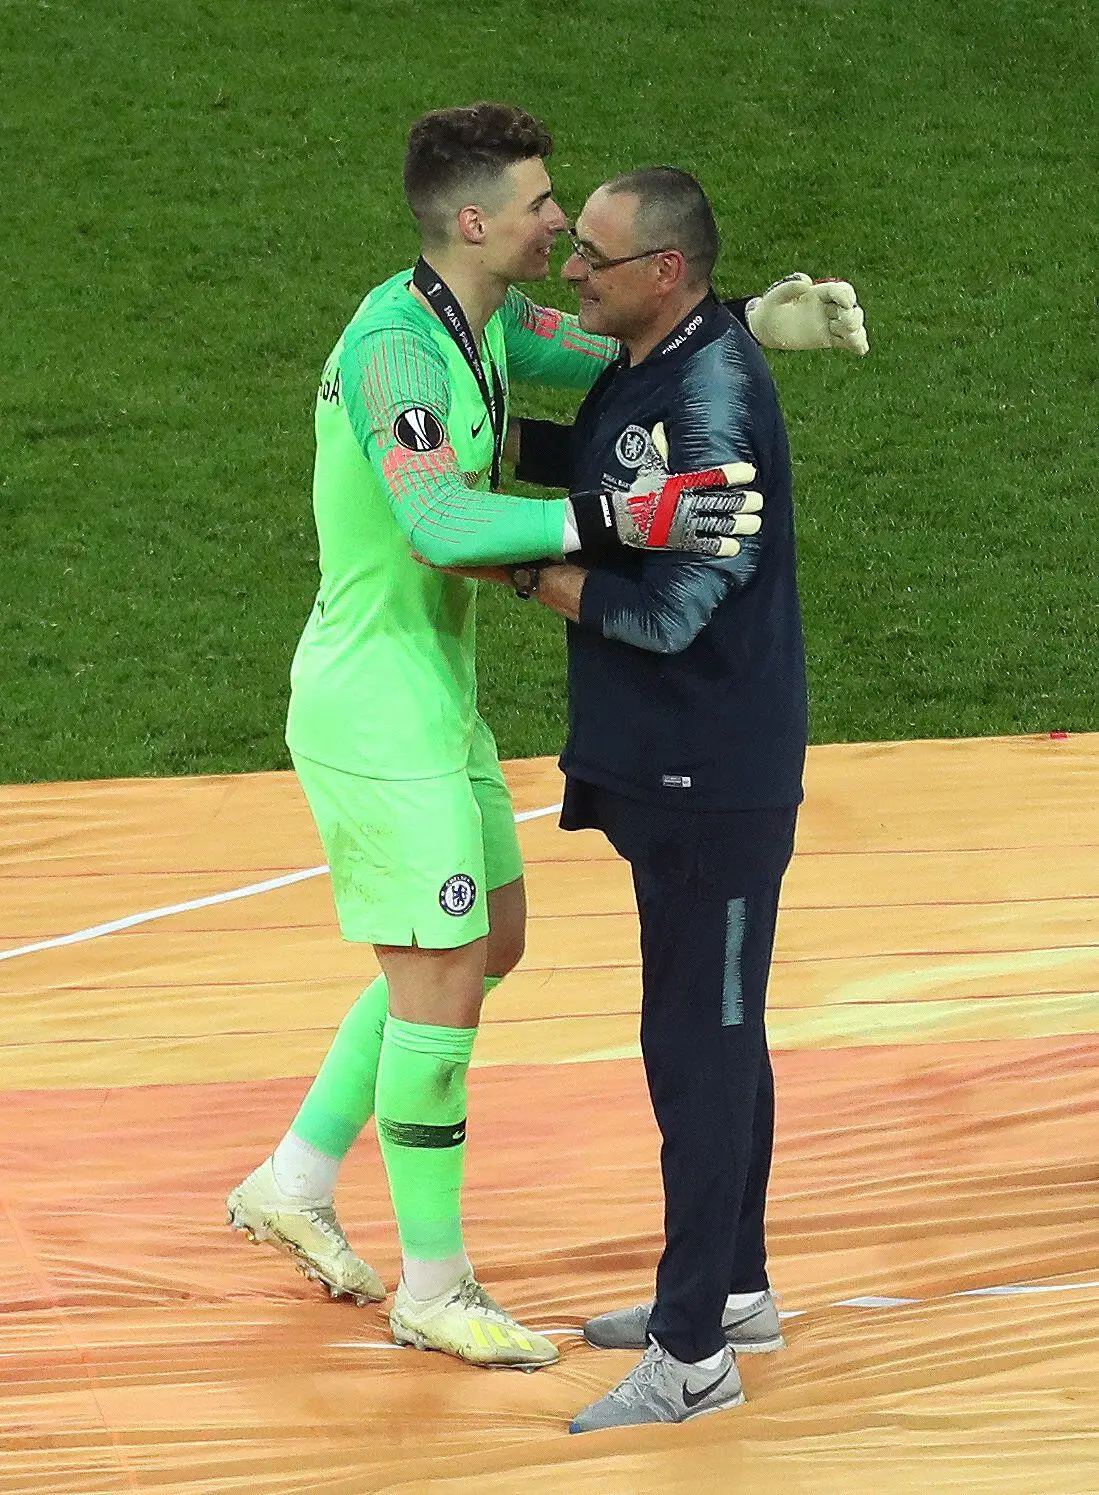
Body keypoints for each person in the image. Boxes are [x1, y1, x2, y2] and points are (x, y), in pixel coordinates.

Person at [226, 102, 866, 1372]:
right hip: (374, 705)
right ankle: (434, 1282)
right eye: (537, 202)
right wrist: (615, 517)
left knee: (483, 946)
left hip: (429, 692)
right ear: (474, 221)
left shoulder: (488, 323)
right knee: (447, 974)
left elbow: (623, 348)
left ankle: (293, 1175)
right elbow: (442, 529)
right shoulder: (401, 354)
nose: (560, 222)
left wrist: (745, 325)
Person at [484, 166, 822, 1428]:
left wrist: (514, 562)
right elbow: (620, 466)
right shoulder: (664, 350)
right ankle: (734, 1289)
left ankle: (694, 1357)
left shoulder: (714, 396)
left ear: (663, 273)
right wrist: (477, 450)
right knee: (713, 1036)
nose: (570, 274)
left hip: (712, 775)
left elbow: (674, 607)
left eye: (595, 260)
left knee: (700, 1049)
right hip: (673, 768)